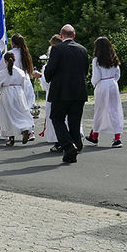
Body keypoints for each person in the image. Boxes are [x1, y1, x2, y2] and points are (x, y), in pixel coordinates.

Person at [43, 24, 90, 164]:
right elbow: (85, 71)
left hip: (61, 91)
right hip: (79, 91)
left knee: (57, 118)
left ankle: (68, 145)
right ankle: (75, 145)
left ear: (61, 35)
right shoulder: (83, 49)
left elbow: (49, 70)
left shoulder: (57, 49)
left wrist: (48, 77)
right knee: (74, 121)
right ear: (74, 35)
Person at [85, 36, 124, 147]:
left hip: (102, 84)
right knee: (114, 110)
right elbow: (117, 74)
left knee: (99, 110)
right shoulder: (114, 58)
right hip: (113, 84)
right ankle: (117, 138)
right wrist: (113, 82)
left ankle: (95, 135)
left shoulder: (96, 60)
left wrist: (94, 84)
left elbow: (96, 76)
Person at [0, 51, 36, 145]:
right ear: (15, 60)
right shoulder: (21, 72)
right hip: (18, 93)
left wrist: (1, 91)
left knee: (8, 115)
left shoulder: (2, 73)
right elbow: (23, 85)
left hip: (7, 93)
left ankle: (11, 138)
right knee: (20, 113)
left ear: (5, 61)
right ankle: (25, 128)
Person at [39, 34, 63, 152]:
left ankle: (58, 142)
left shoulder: (48, 65)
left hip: (53, 94)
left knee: (55, 118)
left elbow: (45, 84)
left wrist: (40, 77)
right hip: (67, 92)